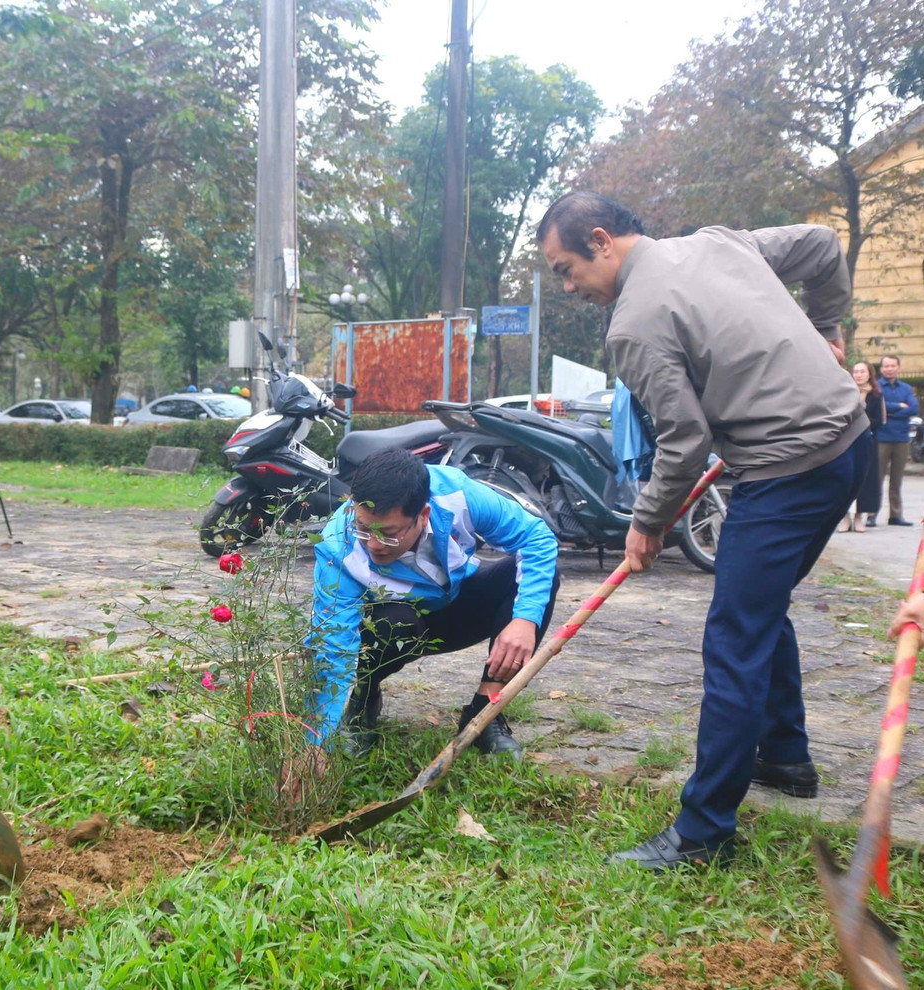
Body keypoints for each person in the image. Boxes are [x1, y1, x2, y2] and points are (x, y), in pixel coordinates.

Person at [537, 192, 871, 871]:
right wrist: (827, 327)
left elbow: (684, 442)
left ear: (602, 240)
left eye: (566, 269)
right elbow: (821, 246)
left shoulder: (634, 323)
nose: (569, 287)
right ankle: (785, 756)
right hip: (850, 444)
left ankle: (703, 832)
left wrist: (646, 523)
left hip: (788, 470)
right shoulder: (718, 239)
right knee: (757, 607)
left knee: (733, 639)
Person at [304, 448, 560, 764]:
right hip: (393, 627)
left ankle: (485, 712)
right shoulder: (336, 548)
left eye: (389, 534)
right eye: (365, 529)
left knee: (530, 581)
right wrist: (317, 742)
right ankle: (362, 701)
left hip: (454, 606)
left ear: (423, 515)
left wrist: (524, 619)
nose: (374, 545)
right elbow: (332, 648)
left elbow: (537, 538)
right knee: (393, 621)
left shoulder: (457, 493)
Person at [839, 361, 883, 532]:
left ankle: (859, 518)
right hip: (846, 443)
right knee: (845, 480)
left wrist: (860, 424)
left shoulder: (876, 395)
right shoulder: (845, 393)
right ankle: (844, 518)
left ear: (869, 374)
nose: (858, 374)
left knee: (865, 481)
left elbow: (878, 421)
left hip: (867, 441)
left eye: (862, 371)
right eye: (856, 371)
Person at [877, 354, 917, 526]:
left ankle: (896, 515)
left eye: (892, 365)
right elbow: (879, 406)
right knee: (877, 478)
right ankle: (872, 514)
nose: (889, 369)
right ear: (881, 369)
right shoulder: (877, 387)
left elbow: (914, 408)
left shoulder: (906, 388)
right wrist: (900, 406)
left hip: (901, 438)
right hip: (882, 437)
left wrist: (890, 413)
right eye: (886, 366)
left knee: (897, 479)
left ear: (898, 367)